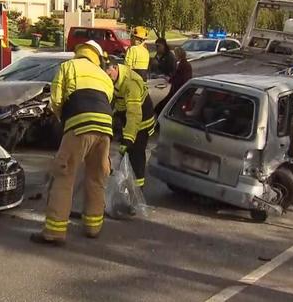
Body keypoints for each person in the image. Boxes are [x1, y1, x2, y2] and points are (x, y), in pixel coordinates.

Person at [31, 40, 114, 246]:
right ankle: (93, 227)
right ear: (97, 57)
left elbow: (56, 98)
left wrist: (63, 120)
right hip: (105, 129)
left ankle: (54, 232)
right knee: (96, 177)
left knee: (64, 175)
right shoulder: (104, 76)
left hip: (79, 124)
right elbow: (107, 101)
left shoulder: (69, 66)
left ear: (79, 52)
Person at [103, 58, 156, 188]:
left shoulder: (131, 82)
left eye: (109, 75)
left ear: (115, 68)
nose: (108, 79)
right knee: (127, 156)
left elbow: (134, 114)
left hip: (141, 123)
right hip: (128, 120)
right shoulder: (115, 78)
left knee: (136, 156)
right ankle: (127, 189)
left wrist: (128, 139)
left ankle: (138, 195)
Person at [155, 47, 192, 116]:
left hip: (178, 91)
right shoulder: (182, 63)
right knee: (161, 106)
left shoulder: (183, 65)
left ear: (178, 55)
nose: (174, 57)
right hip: (177, 90)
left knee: (161, 107)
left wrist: (169, 79)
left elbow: (181, 79)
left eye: (175, 54)